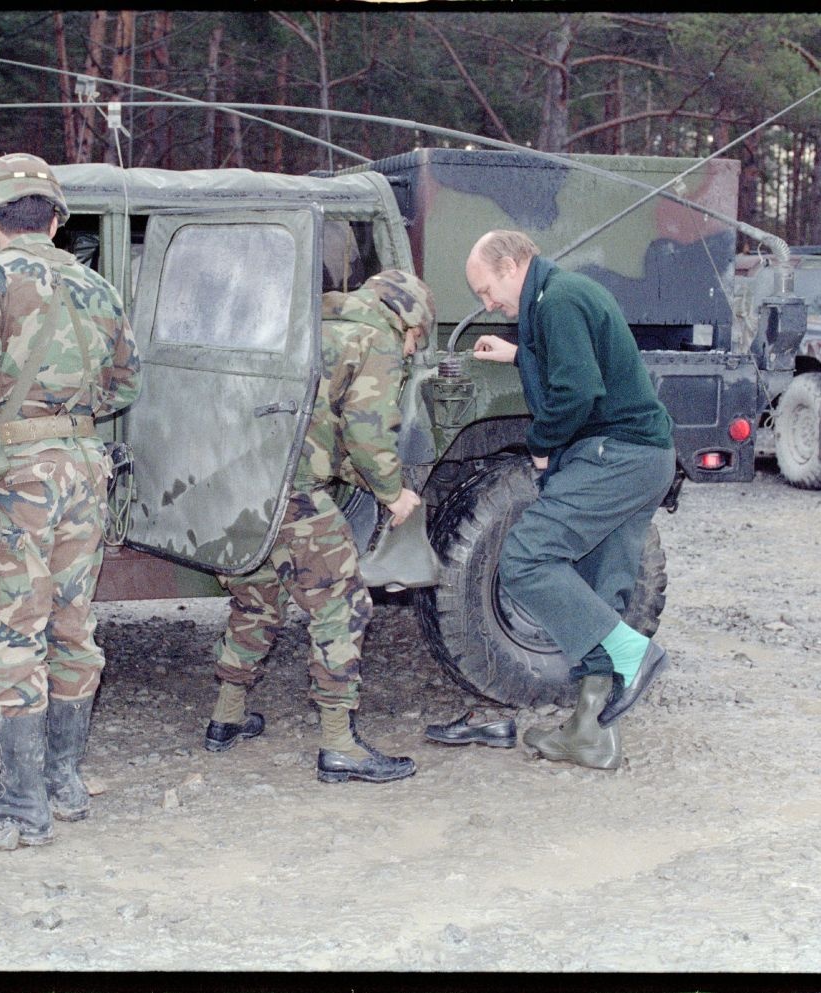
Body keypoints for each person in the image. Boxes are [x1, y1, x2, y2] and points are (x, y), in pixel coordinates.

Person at [0, 153, 140, 847]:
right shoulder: (99, 285)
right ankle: (62, 781)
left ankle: (21, 803)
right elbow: (126, 385)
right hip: (82, 467)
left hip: (17, 474)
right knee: (72, 624)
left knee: (12, 626)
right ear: (54, 218)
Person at [205, 270, 434, 784]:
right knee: (342, 604)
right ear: (410, 317)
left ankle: (226, 716)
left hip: (237, 484)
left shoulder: (313, 321)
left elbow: (322, 427)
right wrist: (394, 492)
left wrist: (365, 480)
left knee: (256, 597)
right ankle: (338, 744)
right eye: (418, 338)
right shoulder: (377, 336)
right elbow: (366, 429)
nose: (414, 348)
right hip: (293, 491)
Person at [466, 230, 675, 770]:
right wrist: (519, 355)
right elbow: (576, 362)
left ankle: (633, 655)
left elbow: (578, 391)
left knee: (525, 558)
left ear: (511, 265)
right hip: (644, 458)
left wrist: (541, 447)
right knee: (600, 591)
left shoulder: (557, 300)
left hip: (617, 456)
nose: (487, 304)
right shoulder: (563, 294)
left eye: (487, 290)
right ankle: (590, 733)